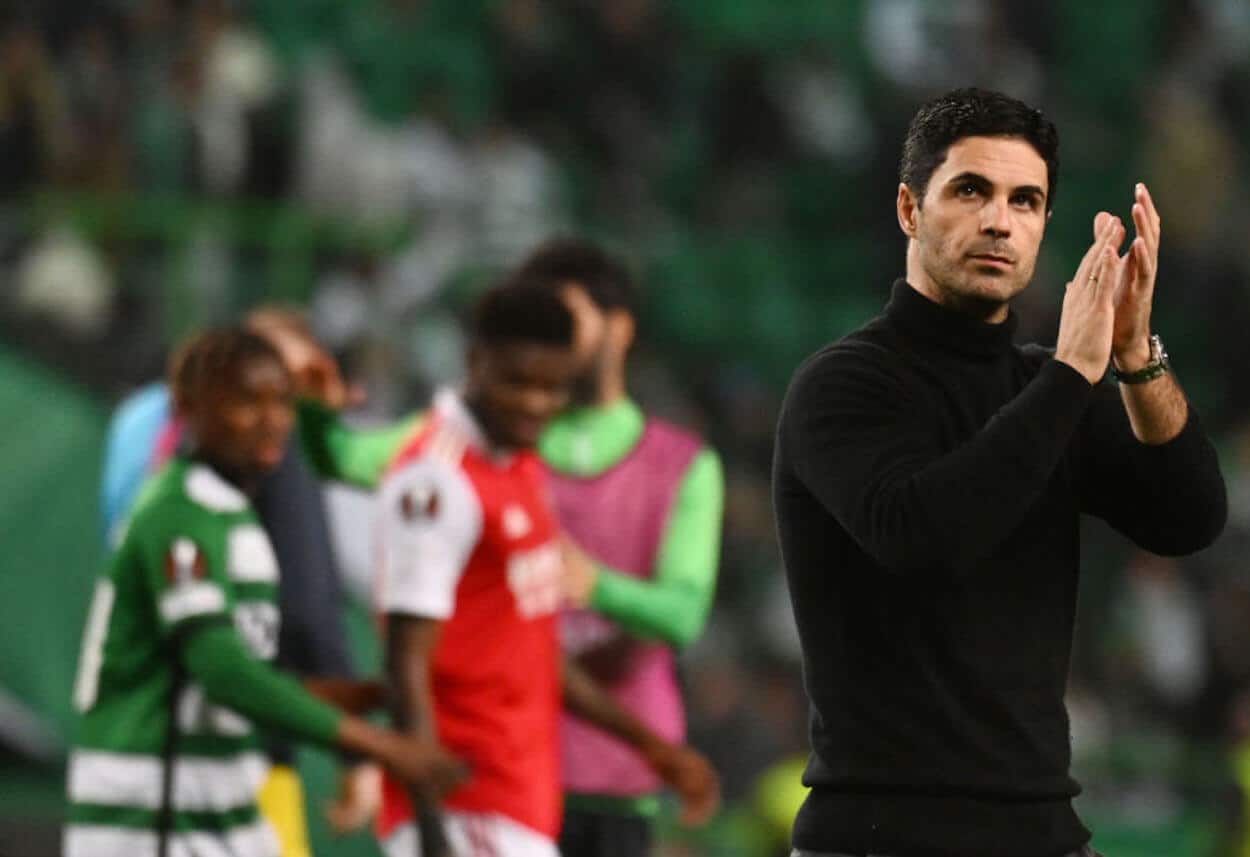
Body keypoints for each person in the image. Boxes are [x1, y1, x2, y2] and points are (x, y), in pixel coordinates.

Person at [772, 87, 1227, 857]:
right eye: (971, 190)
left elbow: (1189, 517)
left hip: (1043, 830)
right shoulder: (843, 384)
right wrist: (1075, 373)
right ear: (910, 210)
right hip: (881, 836)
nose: (999, 221)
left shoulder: (1053, 384)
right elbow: (923, 536)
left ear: (1046, 222)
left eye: (1026, 200)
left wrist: (1134, 358)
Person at [297, 279, 719, 856]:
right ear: (475, 362)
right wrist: (431, 833)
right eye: (518, 381)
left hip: (516, 800)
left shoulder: (518, 468)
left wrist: (649, 746)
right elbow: (404, 663)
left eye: (553, 387)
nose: (535, 403)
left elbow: (533, 648)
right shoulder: (435, 480)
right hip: (463, 808)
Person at [65, 326, 466, 857]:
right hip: (149, 809)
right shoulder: (178, 512)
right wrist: (381, 747)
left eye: (282, 401)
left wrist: (365, 694)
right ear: (190, 408)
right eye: (246, 402)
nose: (272, 420)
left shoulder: (231, 512)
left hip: (216, 798)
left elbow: (229, 684)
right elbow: (222, 671)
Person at [97, 308, 382, 855]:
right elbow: (306, 610)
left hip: (138, 743)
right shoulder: (267, 457)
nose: (275, 407)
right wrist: (361, 747)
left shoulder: (144, 429)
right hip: (237, 760)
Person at [512, 238, 724, 857]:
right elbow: (350, 458)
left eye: (567, 318)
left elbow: (683, 615)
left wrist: (594, 584)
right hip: (503, 764)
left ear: (620, 327)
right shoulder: (494, 448)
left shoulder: (681, 464)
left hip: (615, 777)